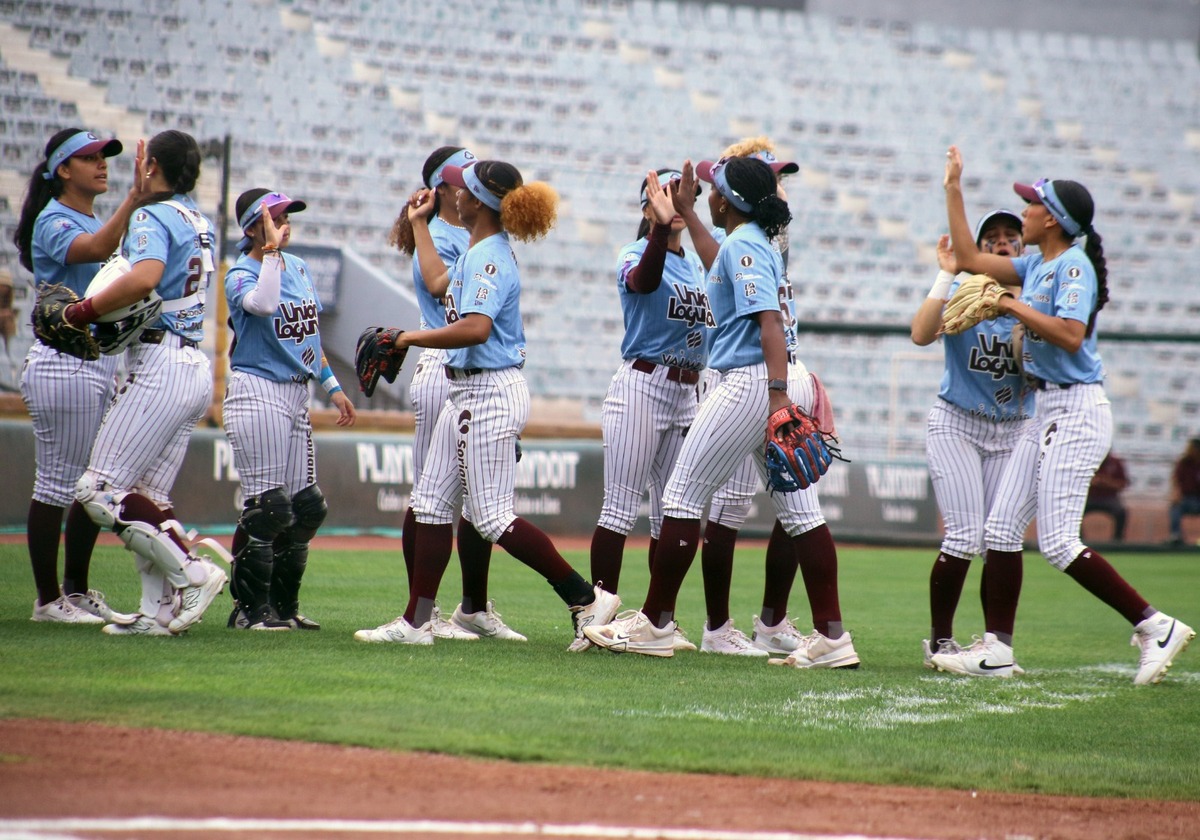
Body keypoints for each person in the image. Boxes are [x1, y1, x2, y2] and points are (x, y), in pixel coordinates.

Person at [932, 145, 1194, 684]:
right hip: (1044, 408)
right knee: (1001, 530)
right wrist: (953, 188)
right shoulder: (1037, 263)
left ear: (1050, 219)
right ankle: (998, 651)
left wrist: (1009, 306)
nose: (1023, 212)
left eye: (1030, 206)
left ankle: (1154, 624)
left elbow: (1071, 338)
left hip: (1074, 410)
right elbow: (968, 256)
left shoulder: (1071, 265)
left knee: (1057, 542)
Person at [584, 156, 859, 668]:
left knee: (683, 495)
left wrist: (777, 396)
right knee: (803, 515)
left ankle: (656, 623)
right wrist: (685, 209)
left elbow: (769, 324)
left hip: (755, 379)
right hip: (769, 378)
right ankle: (833, 638)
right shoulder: (745, 241)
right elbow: (720, 263)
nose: (706, 192)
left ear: (726, 202)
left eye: (713, 188)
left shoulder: (748, 244)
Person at [354, 159, 620, 646]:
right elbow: (438, 285)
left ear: (477, 201)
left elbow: (476, 327)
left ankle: (585, 597)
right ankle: (416, 625)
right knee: (431, 504)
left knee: (493, 516)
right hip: (469, 389)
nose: (456, 194)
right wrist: (418, 226)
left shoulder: (489, 255)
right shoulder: (480, 248)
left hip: (488, 389)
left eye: (465, 189)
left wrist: (406, 338)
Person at [64, 129, 229, 636]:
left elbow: (144, 279)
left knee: (97, 490)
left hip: (160, 364)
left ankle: (193, 573)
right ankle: (158, 610)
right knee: (148, 496)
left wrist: (82, 310)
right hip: (190, 365)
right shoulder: (197, 218)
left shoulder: (150, 215)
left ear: (150, 164)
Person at [12, 127, 146, 624]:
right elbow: (92, 250)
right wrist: (134, 198)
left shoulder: (86, 215)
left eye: (105, 156)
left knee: (93, 482)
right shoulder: (55, 218)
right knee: (56, 484)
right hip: (62, 361)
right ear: (63, 170)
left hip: (93, 364)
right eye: (89, 157)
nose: (102, 163)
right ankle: (49, 600)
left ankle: (75, 590)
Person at [578, 168, 708, 654]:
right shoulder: (635, 252)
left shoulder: (695, 264)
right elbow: (644, 281)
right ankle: (592, 619)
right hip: (643, 385)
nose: (675, 199)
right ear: (647, 207)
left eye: (680, 193)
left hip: (686, 392)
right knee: (619, 507)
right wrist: (659, 227)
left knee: (671, 514)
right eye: (665, 193)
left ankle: (659, 623)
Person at [222, 187, 356, 631]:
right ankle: (248, 609)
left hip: (296, 393)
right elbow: (262, 304)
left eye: (285, 216)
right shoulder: (241, 271)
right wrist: (271, 252)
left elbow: (309, 338)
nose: (285, 223)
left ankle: (283, 607)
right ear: (254, 228)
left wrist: (332, 386)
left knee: (307, 508)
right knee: (268, 508)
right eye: (275, 217)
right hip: (257, 389)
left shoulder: (297, 267)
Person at [910, 209, 1037, 670]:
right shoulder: (966, 290)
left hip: (1015, 428)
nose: (1003, 243)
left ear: (1023, 248)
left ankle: (993, 643)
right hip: (957, 423)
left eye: (1011, 237)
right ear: (979, 249)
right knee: (964, 535)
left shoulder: (1036, 297)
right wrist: (945, 276)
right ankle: (940, 643)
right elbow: (921, 334)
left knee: (1001, 540)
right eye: (992, 238)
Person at [386, 146, 501, 641]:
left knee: (471, 499)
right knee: (430, 499)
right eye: (460, 178)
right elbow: (442, 291)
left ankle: (470, 607)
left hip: (470, 369)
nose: (469, 185)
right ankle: (422, 611)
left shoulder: (468, 233)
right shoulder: (442, 234)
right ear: (441, 190)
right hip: (442, 365)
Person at [1084, 451, 1130, 542]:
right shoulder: (1085, 463)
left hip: (1108, 498)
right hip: (1089, 497)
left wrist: (1107, 482)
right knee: (1074, 512)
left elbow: (1123, 484)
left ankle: (1117, 540)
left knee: (1121, 512)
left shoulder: (1115, 463)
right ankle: (1078, 540)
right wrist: (1091, 483)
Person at [1167, 438, 1200, 545]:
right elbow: (1176, 481)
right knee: (1175, 507)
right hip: (1185, 498)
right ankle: (1176, 535)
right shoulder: (1183, 463)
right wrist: (1176, 494)